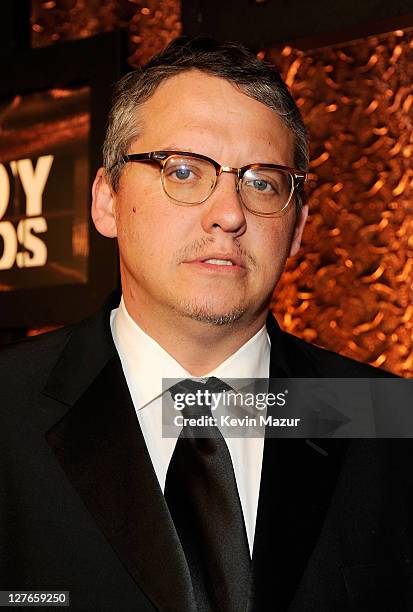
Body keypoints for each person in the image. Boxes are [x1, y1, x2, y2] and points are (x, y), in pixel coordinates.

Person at [0, 37, 411, 612]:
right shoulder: (8, 409)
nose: (229, 212)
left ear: (296, 230)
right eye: (184, 171)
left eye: (262, 181)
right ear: (107, 201)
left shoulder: (389, 422)